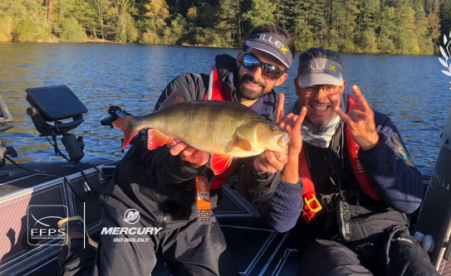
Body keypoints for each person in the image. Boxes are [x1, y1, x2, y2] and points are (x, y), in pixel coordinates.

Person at [57, 24, 306, 276]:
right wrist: (186, 164)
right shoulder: (189, 86)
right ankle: (76, 243)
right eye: (252, 61)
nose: (257, 73)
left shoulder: (265, 124)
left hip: (195, 212)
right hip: (137, 200)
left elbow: (252, 192)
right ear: (240, 58)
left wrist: (262, 172)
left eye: (271, 70)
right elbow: (152, 157)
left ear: (282, 78)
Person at [239, 47, 440, 275]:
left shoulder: (375, 124)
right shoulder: (277, 133)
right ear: (297, 86)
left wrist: (374, 146)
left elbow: (409, 202)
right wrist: (292, 157)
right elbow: (282, 222)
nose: (320, 96)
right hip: (326, 242)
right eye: (311, 86)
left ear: (342, 87)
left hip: (389, 233)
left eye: (329, 87)